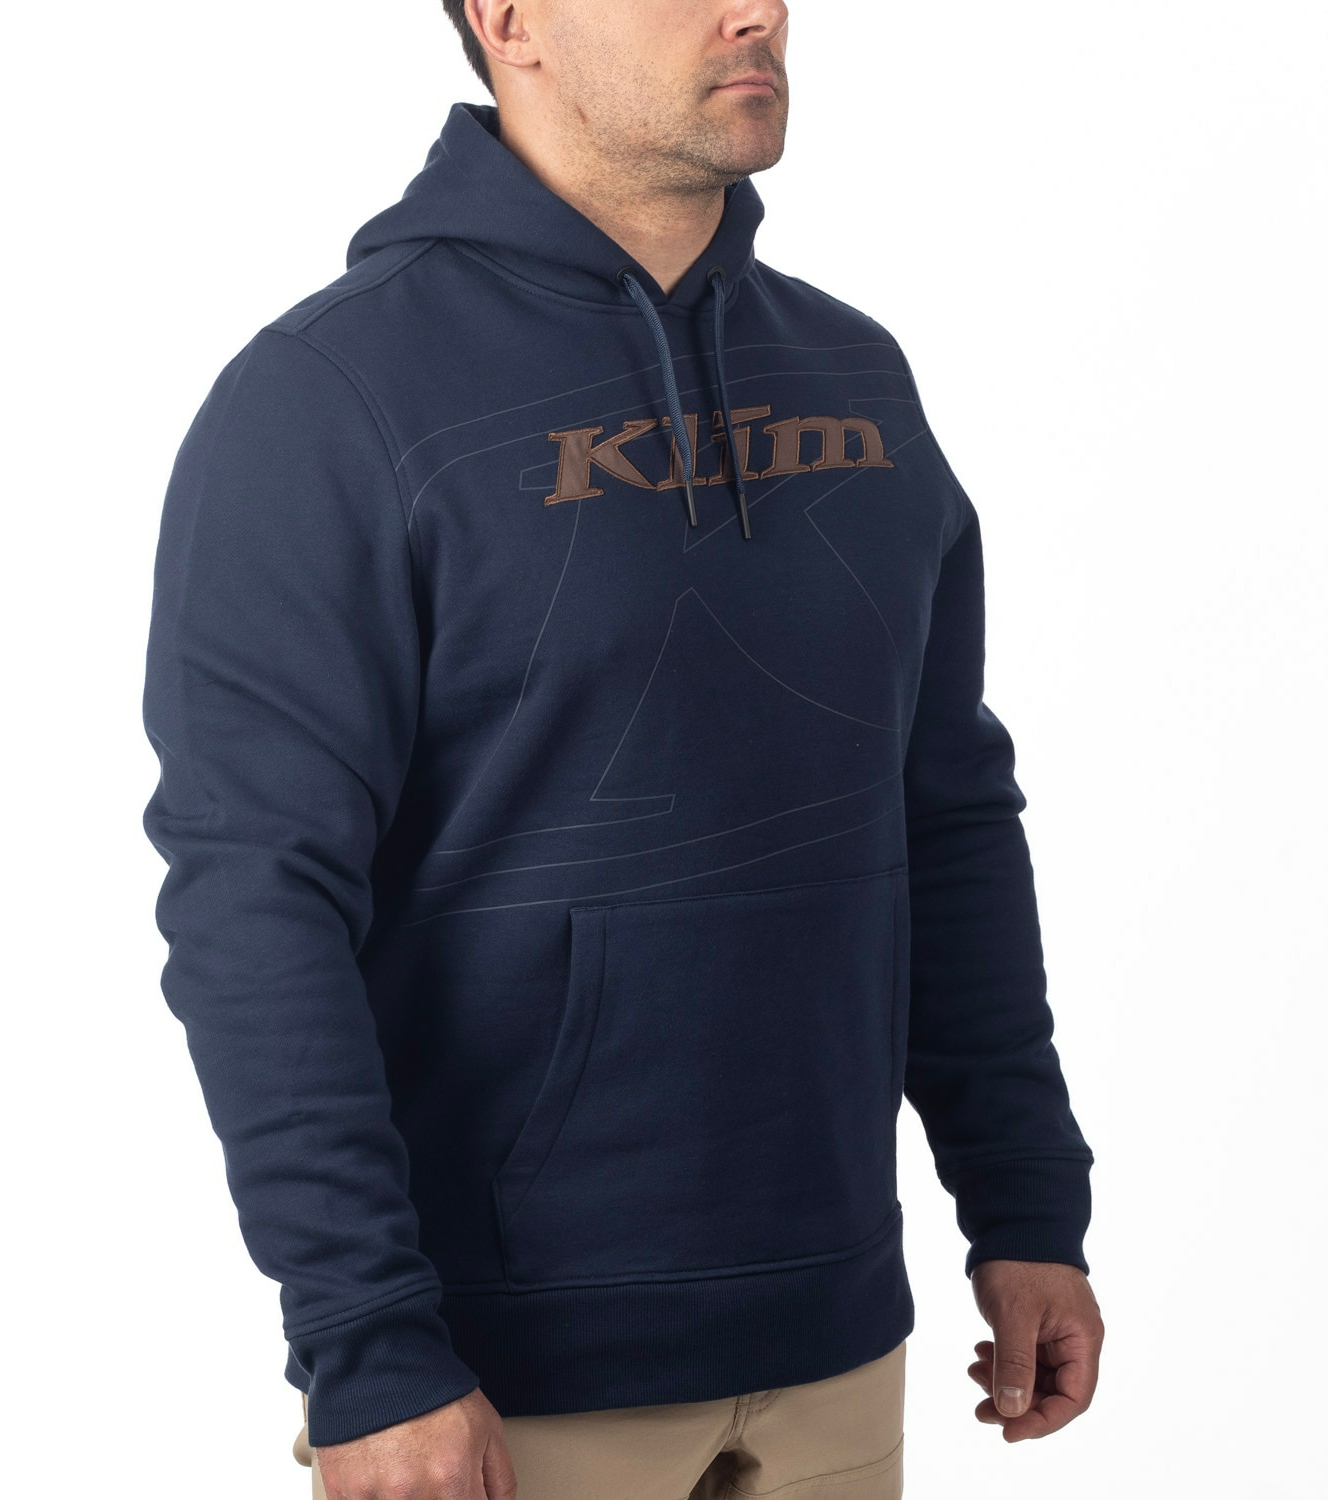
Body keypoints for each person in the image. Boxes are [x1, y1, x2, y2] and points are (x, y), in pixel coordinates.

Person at [140, 2, 1104, 1495]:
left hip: (842, 1342)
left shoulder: (855, 376)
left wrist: (1027, 1202)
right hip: (499, 1388)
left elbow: (949, 813)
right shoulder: (332, 398)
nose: (758, 10)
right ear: (509, 19)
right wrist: (368, 1342)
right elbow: (253, 897)